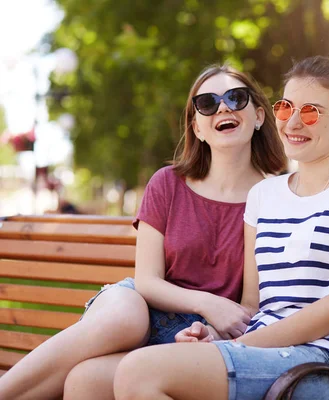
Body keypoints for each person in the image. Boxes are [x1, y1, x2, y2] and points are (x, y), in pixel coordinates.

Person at [112, 42, 329, 400]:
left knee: (138, 373)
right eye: (286, 107)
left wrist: (243, 345)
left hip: (323, 359)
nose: (293, 122)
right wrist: (215, 338)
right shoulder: (264, 195)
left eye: (312, 113)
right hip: (257, 352)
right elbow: (253, 306)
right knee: (104, 376)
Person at [0, 65, 286, 400]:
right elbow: (147, 281)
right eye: (207, 103)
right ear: (198, 127)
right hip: (142, 309)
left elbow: (255, 305)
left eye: (236, 98)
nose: (223, 107)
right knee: (126, 315)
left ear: (259, 116)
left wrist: (209, 327)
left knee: (85, 380)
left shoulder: (277, 199)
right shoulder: (167, 184)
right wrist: (207, 302)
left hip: (203, 340)